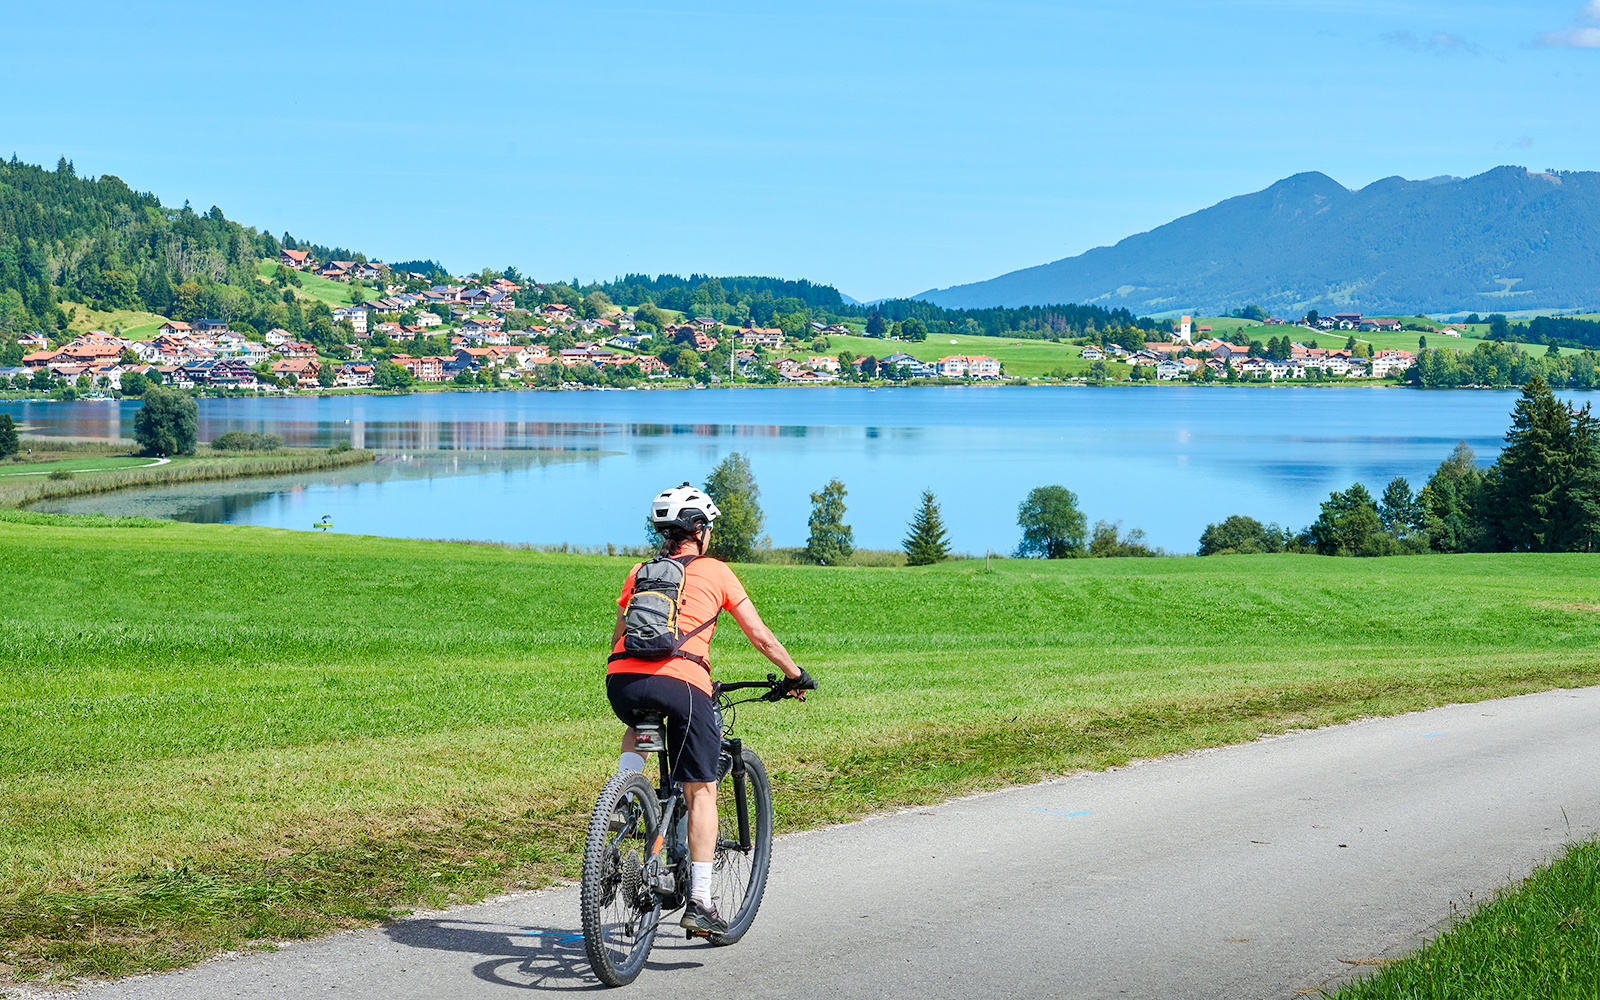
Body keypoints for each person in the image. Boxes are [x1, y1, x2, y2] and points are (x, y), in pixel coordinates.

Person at [606, 482, 815, 935]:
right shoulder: (716, 571)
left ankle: (623, 799)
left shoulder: (640, 572)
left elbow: (620, 633)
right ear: (699, 530)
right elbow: (761, 636)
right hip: (682, 684)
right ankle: (700, 902)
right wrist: (796, 675)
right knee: (701, 790)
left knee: (644, 721)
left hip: (621, 680)